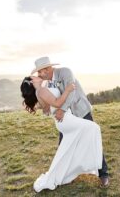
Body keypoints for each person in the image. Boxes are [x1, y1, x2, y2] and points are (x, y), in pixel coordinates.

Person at [32, 56, 109, 186]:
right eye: (38, 72)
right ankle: (65, 174)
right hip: (66, 119)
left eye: (40, 71)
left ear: (48, 69)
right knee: (63, 145)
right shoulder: (47, 83)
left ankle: (103, 174)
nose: (39, 74)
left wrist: (61, 110)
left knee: (91, 136)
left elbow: (71, 92)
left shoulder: (65, 72)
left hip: (80, 110)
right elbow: (52, 99)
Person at [20, 76, 103, 192]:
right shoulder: (41, 90)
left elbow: (48, 105)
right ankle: (91, 164)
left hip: (64, 119)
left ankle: (71, 169)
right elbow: (58, 103)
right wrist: (68, 90)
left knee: (69, 146)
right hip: (65, 120)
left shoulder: (44, 87)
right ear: (33, 82)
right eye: (33, 77)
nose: (37, 75)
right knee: (94, 128)